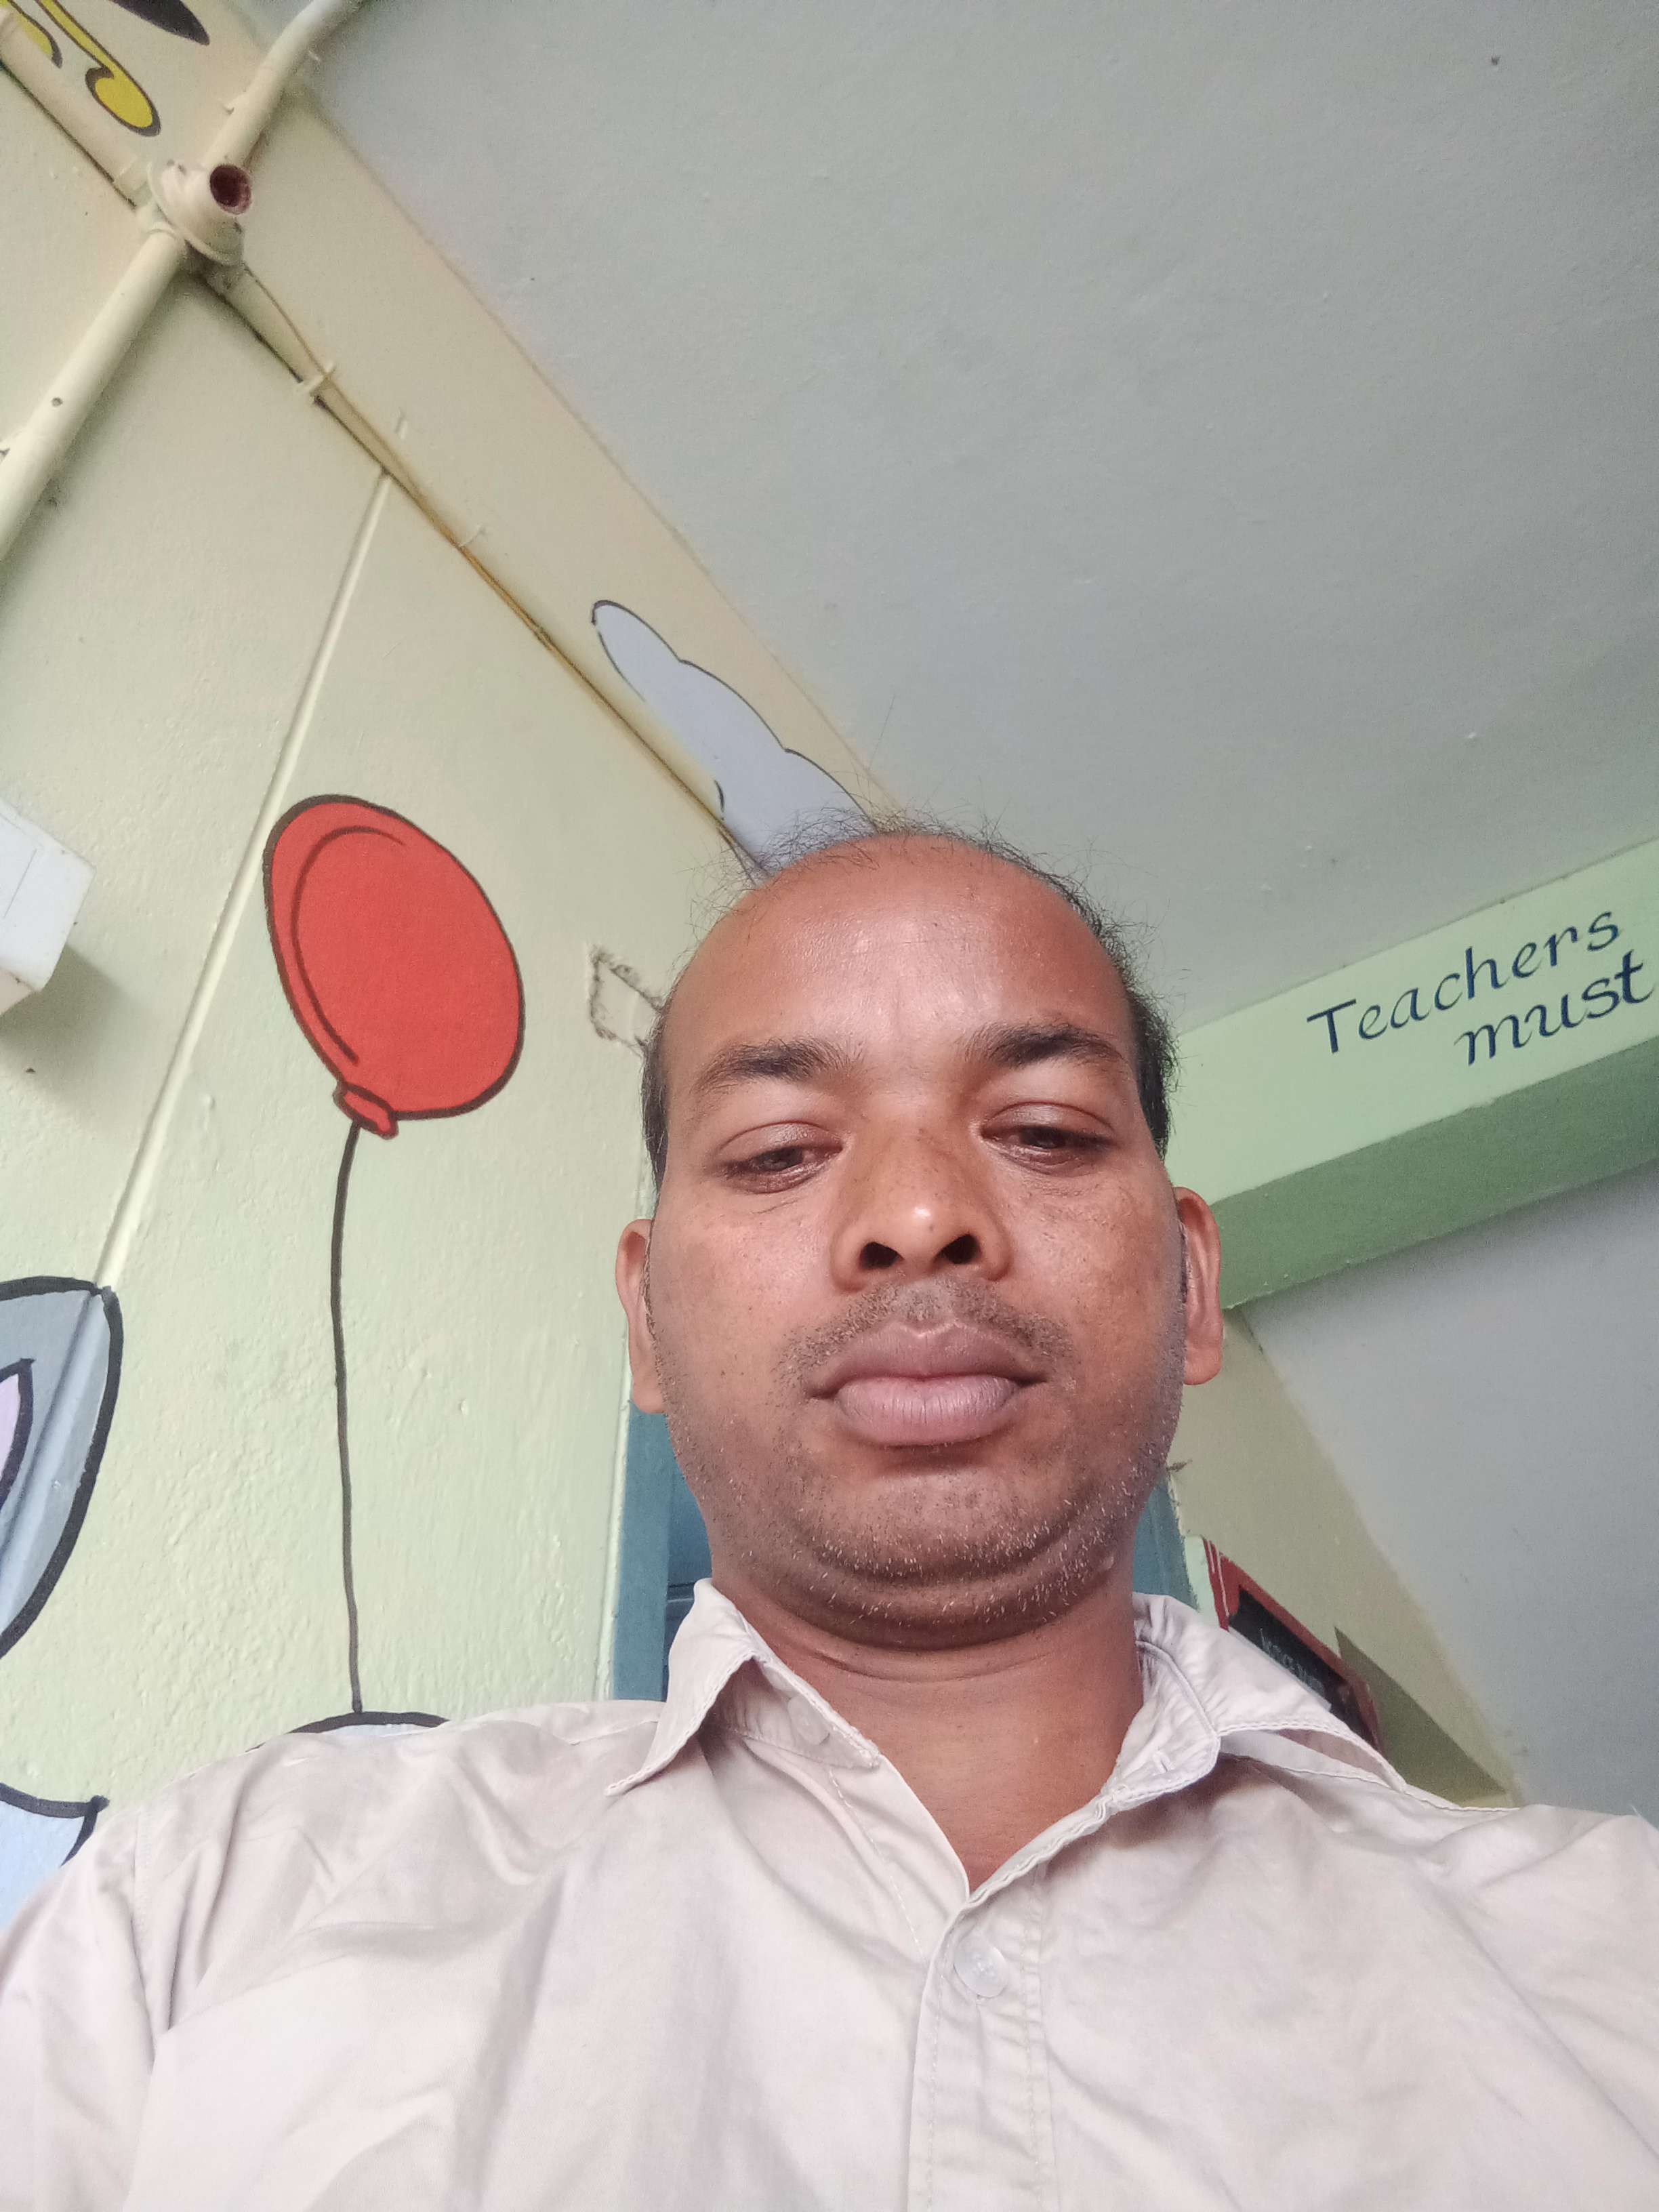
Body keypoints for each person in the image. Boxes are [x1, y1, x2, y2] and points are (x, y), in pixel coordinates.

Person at [2, 821, 1655, 2208]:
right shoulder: (220, 1907)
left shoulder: (1612, 1961)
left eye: (1044, 1131)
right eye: (783, 1151)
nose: (920, 1215)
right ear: (648, 1325)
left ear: (1193, 1284)